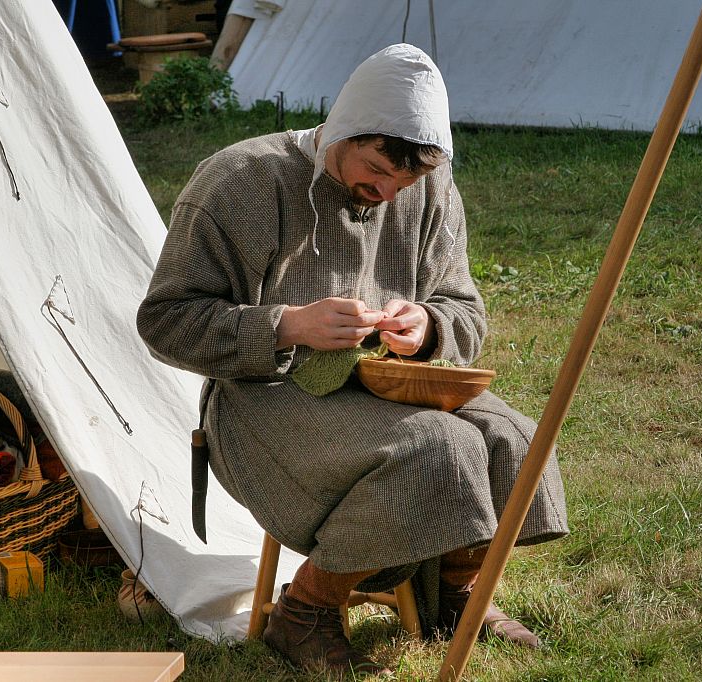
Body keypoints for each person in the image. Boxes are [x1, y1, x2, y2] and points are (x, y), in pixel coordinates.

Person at [137, 43, 568, 676]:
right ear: (343, 130)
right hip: (261, 403)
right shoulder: (240, 180)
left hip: (385, 388)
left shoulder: (432, 187)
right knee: (438, 447)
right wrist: (287, 324)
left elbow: (464, 309)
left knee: (516, 438)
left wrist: (427, 327)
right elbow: (165, 321)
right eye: (374, 167)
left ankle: (453, 592)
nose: (388, 189)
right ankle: (307, 610)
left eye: (408, 180)